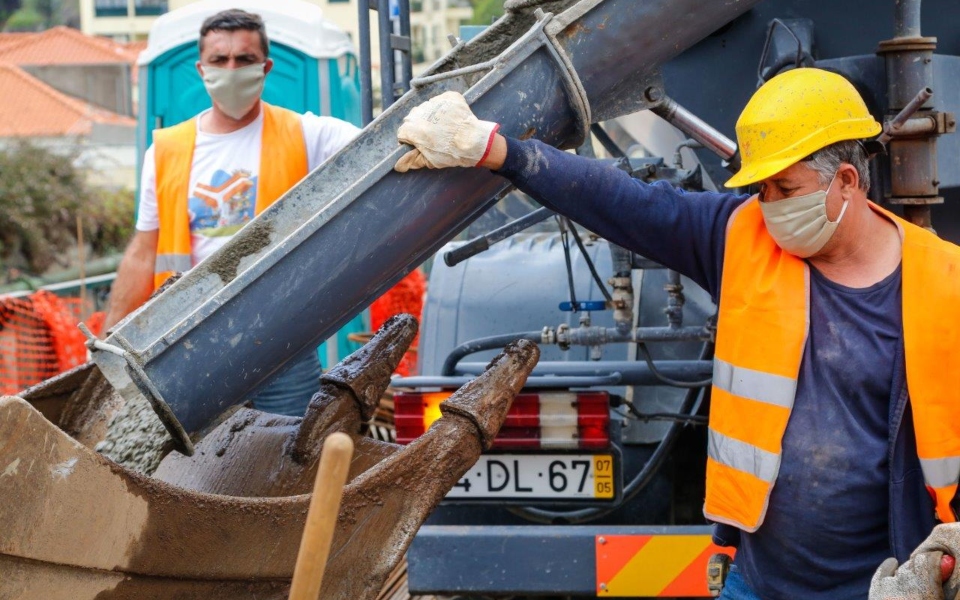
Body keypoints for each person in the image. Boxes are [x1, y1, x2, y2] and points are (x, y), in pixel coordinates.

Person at [393, 68, 960, 599]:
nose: (769, 208)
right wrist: (498, 150)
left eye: (785, 189)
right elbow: (627, 203)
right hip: (758, 583)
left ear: (846, 180)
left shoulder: (945, 282)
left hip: (886, 586)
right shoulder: (740, 238)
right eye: (760, 190)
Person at [103, 8, 359, 416]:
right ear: (201, 69)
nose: (232, 69)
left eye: (244, 59)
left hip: (282, 342)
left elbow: (381, 145)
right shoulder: (166, 151)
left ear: (265, 67)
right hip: (191, 347)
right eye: (220, 60)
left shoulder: (306, 135)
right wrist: (111, 343)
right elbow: (143, 251)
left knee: (287, 458)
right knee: (197, 469)